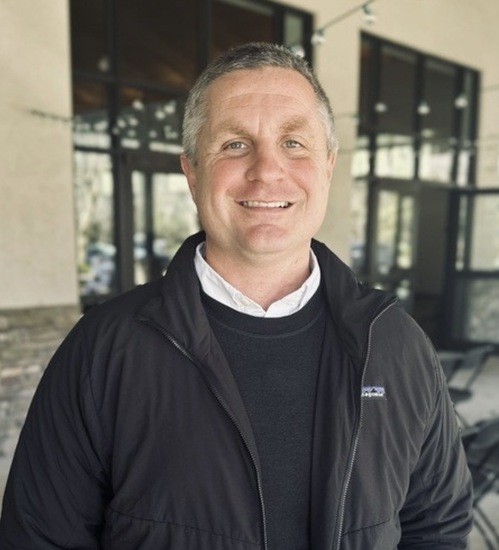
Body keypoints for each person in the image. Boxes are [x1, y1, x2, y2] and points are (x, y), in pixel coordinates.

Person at [0, 43, 472, 549]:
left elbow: (437, 528)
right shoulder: (104, 348)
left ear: (328, 166)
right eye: (234, 144)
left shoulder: (395, 342)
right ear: (192, 171)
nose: (267, 170)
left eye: (294, 143)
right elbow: (39, 539)